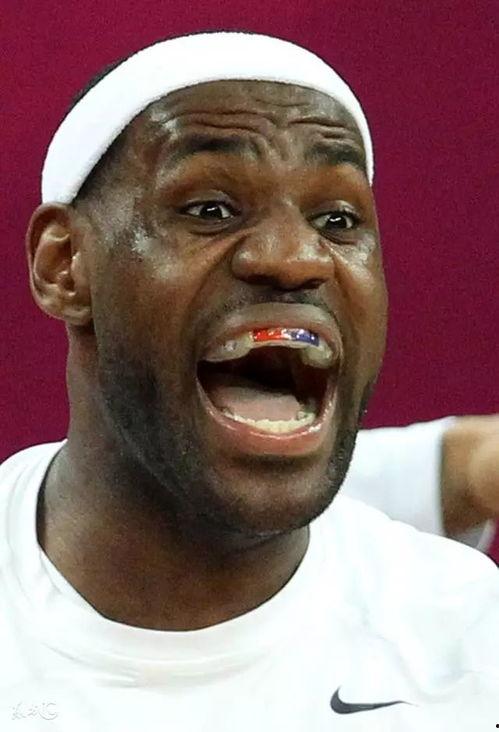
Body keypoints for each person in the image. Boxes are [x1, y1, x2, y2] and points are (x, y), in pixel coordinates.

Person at [0, 31, 497, 730]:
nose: (295, 258)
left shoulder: (472, 649)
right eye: (210, 210)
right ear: (64, 264)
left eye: (337, 219)